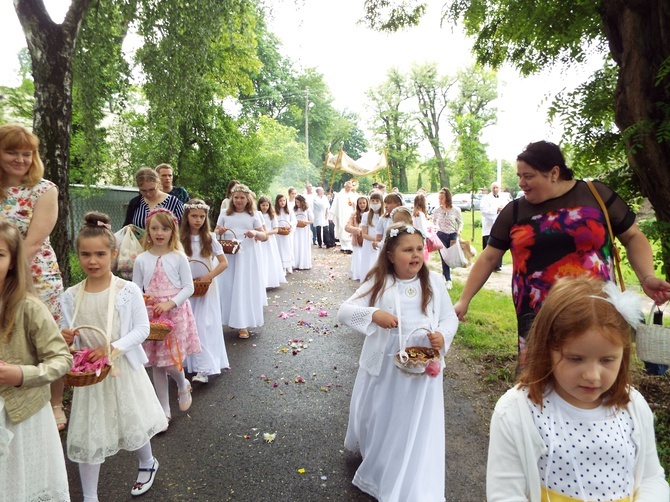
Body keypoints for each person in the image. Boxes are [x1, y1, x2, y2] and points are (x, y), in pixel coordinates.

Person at [454, 141, 670, 365]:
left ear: (554, 172)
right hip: (538, 317)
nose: (521, 183)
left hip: (596, 313)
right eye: (519, 176)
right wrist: (464, 300)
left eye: (528, 176)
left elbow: (633, 236)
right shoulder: (515, 211)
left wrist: (646, 276)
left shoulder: (596, 195)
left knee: (595, 379)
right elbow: (490, 257)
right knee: (541, 382)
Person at [487, 276, 669, 501]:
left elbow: (652, 477)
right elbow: (505, 494)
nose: (592, 375)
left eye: (607, 360)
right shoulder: (518, 412)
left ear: (623, 356)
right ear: (546, 350)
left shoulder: (633, 406)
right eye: (574, 358)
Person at [337, 223, 459, 501]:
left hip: (423, 363)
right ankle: (382, 464)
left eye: (419, 248)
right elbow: (344, 311)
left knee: (415, 419)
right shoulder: (380, 281)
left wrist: (442, 334)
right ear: (391, 255)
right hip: (387, 365)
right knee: (386, 414)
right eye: (407, 250)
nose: (415, 255)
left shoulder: (434, 282)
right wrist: (373, 315)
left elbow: (449, 317)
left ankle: (412, 467)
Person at [62, 212, 168, 499]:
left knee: (132, 421)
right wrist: (66, 337)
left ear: (113, 253)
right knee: (88, 433)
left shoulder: (127, 290)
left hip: (120, 368)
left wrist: (113, 348)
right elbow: (68, 330)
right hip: (91, 375)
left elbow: (142, 329)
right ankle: (89, 496)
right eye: (85, 254)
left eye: (99, 254)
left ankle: (147, 462)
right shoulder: (71, 295)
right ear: (78, 256)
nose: (92, 261)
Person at [0, 124, 67, 430]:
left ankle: (54, 404)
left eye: (26, 153)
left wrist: (10, 277)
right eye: (11, 151)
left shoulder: (44, 189)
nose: (20, 159)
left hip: (36, 277)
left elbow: (34, 241)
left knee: (46, 340)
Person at [0, 217, 72, 502]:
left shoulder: (28, 307)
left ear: (12, 261)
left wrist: (22, 375)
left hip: (22, 417)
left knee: (21, 481)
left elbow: (61, 358)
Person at [133, 208, 200, 419]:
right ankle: (164, 410)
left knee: (170, 361)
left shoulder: (179, 257)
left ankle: (182, 383)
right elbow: (136, 289)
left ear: (172, 231)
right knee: (156, 364)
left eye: (164, 228)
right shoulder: (141, 259)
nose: (159, 233)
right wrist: (145, 300)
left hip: (175, 313)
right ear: (148, 231)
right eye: (154, 228)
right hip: (152, 315)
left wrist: (171, 303)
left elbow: (188, 288)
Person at [180, 200, 230, 384]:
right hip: (186, 288)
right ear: (187, 217)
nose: (198, 220)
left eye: (202, 216)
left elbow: (224, 263)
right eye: (194, 216)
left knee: (203, 325)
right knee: (188, 325)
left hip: (206, 289)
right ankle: (190, 363)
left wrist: (208, 277)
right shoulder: (179, 240)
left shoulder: (209, 238)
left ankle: (205, 368)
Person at [215, 184, 267, 338]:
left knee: (244, 287)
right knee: (229, 286)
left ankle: (243, 324)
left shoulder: (253, 215)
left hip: (247, 256)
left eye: (242, 197)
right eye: (236, 197)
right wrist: (220, 231)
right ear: (231, 198)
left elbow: (265, 236)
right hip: (229, 255)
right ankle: (229, 319)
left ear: (247, 199)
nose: (238, 200)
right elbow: (214, 232)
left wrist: (255, 233)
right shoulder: (224, 213)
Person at [432, 188, 463, 291]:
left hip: (452, 235)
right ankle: (447, 279)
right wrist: (435, 229)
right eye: (439, 198)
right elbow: (434, 222)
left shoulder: (456, 210)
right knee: (444, 257)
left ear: (447, 198)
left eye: (442, 198)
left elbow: (460, 222)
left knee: (452, 257)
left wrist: (459, 230)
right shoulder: (437, 210)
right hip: (441, 235)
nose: (440, 200)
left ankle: (445, 275)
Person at [479, 181, 511, 272]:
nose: (495, 189)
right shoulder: (486, 199)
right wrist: (496, 209)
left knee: (499, 245)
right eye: (494, 188)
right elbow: (483, 210)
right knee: (489, 244)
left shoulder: (504, 197)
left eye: (497, 188)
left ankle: (497, 265)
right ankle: (487, 265)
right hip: (489, 225)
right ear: (491, 188)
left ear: (500, 188)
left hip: (501, 225)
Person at [257, 195, 287, 288]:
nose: (265, 207)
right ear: (259, 205)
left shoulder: (272, 216)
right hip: (260, 240)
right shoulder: (257, 215)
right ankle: (261, 281)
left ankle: (271, 280)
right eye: (263, 205)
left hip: (270, 240)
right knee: (261, 259)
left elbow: (276, 230)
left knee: (270, 258)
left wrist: (266, 232)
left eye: (266, 205)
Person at [359, 191, 383, 278]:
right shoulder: (366, 215)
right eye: (372, 200)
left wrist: (379, 242)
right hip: (369, 244)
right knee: (368, 264)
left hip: (381, 244)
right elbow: (364, 234)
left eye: (377, 201)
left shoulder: (384, 216)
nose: (375, 203)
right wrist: (375, 240)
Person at [344, 195, 369, 281]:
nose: (362, 205)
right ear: (357, 204)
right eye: (360, 203)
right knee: (359, 258)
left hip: (369, 239)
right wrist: (358, 230)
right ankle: (359, 275)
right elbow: (347, 227)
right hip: (358, 240)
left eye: (364, 203)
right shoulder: (354, 214)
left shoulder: (371, 214)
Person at [330, 181, 358, 253]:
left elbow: (357, 204)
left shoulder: (353, 195)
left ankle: (349, 247)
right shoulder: (339, 195)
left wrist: (354, 204)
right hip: (341, 215)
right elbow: (334, 206)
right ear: (345, 187)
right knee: (342, 229)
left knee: (350, 230)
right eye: (348, 187)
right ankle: (343, 246)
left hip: (350, 214)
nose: (349, 188)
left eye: (350, 187)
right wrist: (331, 216)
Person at [275, 193, 295, 275]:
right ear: (277, 202)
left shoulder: (289, 210)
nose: (282, 202)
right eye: (280, 201)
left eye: (284, 200)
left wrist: (289, 224)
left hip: (287, 233)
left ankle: (288, 265)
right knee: (280, 250)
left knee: (288, 249)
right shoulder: (275, 211)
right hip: (279, 234)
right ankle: (282, 267)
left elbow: (294, 220)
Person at [292, 194, 314, 270]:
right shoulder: (294, 209)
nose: (297, 204)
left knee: (303, 245)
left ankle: (303, 263)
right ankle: (296, 263)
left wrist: (304, 222)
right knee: (296, 245)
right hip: (296, 230)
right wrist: (296, 222)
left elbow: (312, 220)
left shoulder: (307, 209)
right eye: (296, 202)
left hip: (304, 230)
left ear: (302, 202)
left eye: (298, 202)